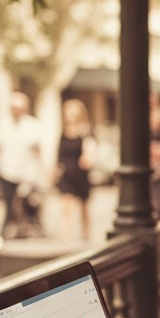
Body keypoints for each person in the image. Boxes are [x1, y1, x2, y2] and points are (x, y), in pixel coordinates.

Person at [0, 91, 43, 239]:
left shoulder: (32, 125)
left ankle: (32, 229)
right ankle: (7, 232)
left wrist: (40, 172)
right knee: (10, 205)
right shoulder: (2, 125)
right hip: (8, 173)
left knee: (30, 205)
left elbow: (37, 151)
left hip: (27, 175)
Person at [54, 98, 96, 240]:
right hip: (67, 174)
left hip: (81, 173)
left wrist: (88, 157)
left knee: (83, 207)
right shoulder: (63, 131)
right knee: (65, 206)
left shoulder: (85, 130)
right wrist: (55, 169)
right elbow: (59, 153)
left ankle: (86, 236)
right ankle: (65, 238)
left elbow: (90, 148)